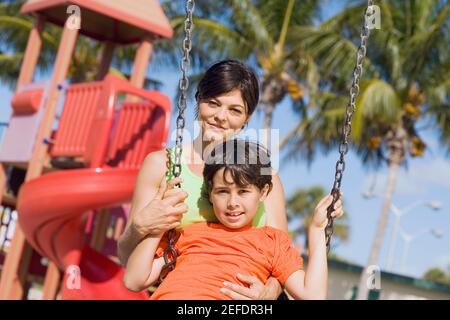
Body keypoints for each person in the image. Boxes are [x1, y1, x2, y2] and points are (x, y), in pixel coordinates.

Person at [118, 60, 288, 299]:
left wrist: (269, 292)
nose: (221, 116)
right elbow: (128, 260)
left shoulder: (264, 177)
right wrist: (139, 226)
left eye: (234, 110)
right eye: (213, 103)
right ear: (199, 100)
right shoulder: (161, 165)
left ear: (247, 117)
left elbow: (283, 261)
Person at [123, 140, 344, 299]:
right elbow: (133, 280)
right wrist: (157, 225)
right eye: (222, 191)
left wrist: (316, 230)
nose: (232, 203)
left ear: (264, 192)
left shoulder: (272, 241)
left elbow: (313, 295)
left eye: (243, 192)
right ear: (210, 193)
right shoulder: (189, 234)